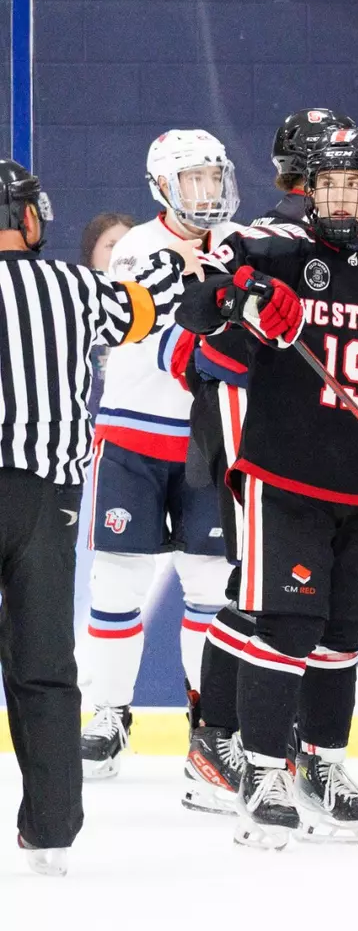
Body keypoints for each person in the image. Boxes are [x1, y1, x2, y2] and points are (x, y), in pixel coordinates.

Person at [176, 126, 358, 849]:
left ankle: (322, 763)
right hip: (284, 476)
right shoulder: (271, 247)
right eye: (329, 182)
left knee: (343, 636)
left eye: (356, 184)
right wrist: (243, 294)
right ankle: (261, 769)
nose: (342, 196)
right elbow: (198, 308)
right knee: (286, 625)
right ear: (307, 188)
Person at [0, 159, 188, 876]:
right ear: (27, 219)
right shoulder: (75, 288)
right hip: (46, 499)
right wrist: (186, 259)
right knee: (44, 667)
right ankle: (50, 831)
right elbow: (153, 302)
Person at [77, 131, 244, 788]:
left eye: (212, 177)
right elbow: (158, 326)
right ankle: (109, 713)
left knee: (208, 586)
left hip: (208, 439)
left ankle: (209, 726)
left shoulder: (240, 242)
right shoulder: (139, 248)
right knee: (117, 580)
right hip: (133, 436)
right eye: (191, 180)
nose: (204, 191)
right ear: (162, 188)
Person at [80, 212, 135, 415]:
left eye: (127, 243)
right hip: (84, 426)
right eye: (111, 245)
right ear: (91, 253)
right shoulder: (73, 299)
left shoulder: (161, 304)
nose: (121, 252)